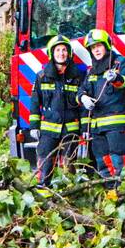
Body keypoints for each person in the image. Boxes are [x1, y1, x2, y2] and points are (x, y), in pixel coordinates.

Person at [77, 29, 125, 185]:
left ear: (106, 46)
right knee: (103, 164)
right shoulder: (91, 71)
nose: (96, 50)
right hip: (97, 129)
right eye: (92, 47)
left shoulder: (121, 63)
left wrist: (117, 77)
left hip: (117, 126)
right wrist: (82, 97)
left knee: (120, 163)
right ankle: (111, 195)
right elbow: (81, 90)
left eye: (98, 46)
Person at [29, 35, 85, 186]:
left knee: (69, 165)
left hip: (70, 129)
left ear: (69, 53)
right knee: (45, 162)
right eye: (58, 50)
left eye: (64, 50)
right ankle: (43, 190)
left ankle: (69, 193)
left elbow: (83, 106)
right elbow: (35, 103)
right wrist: (34, 126)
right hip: (48, 130)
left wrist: (85, 128)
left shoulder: (78, 77)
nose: (61, 53)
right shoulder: (42, 77)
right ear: (52, 54)